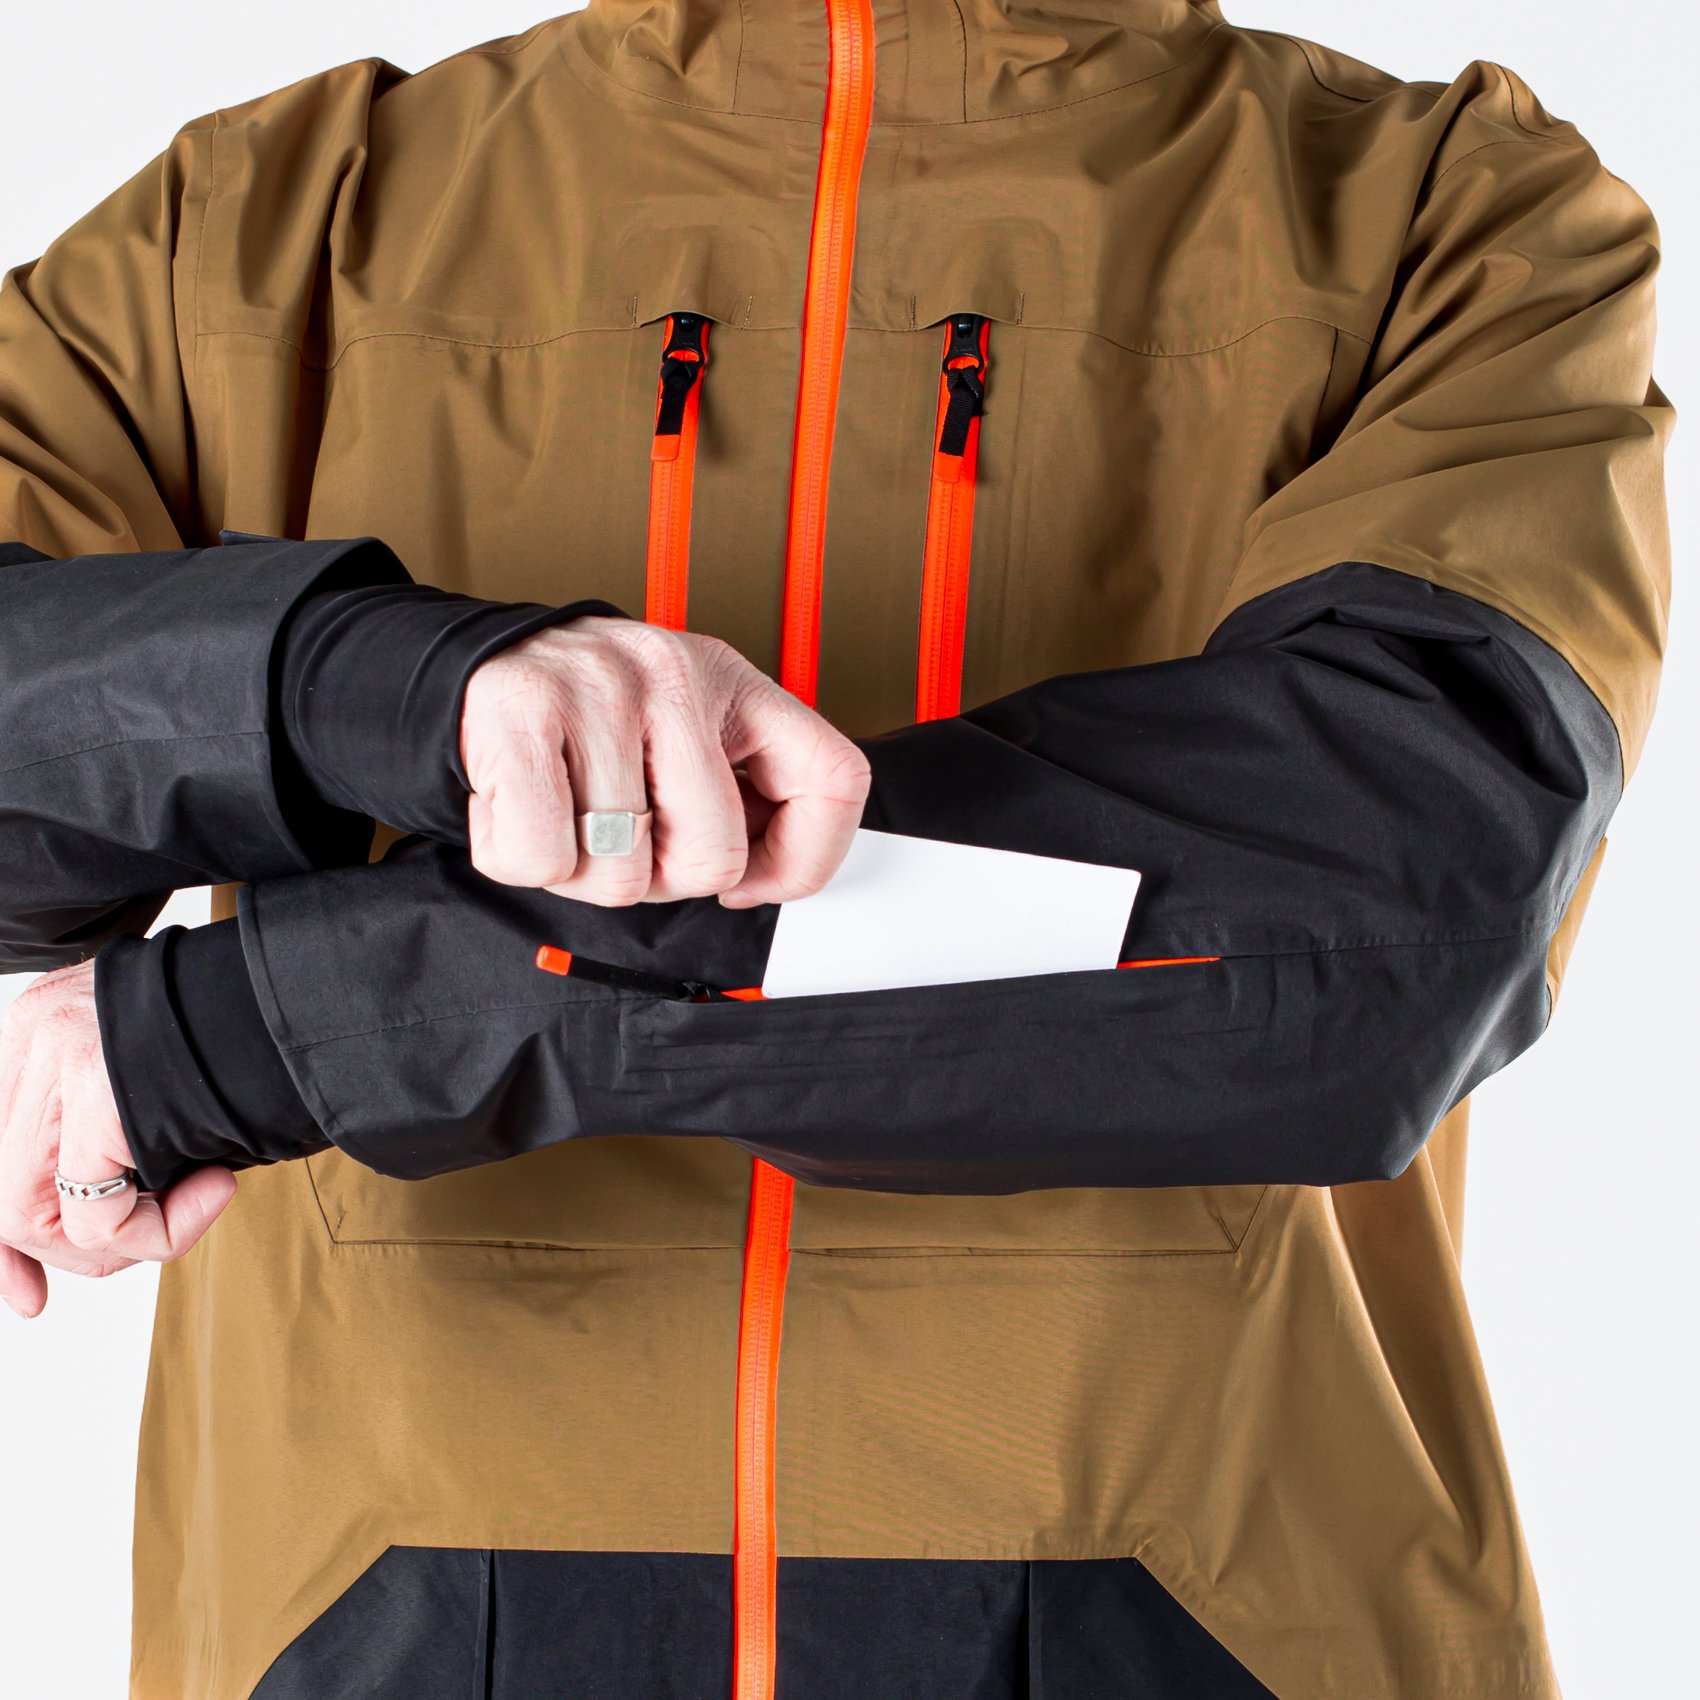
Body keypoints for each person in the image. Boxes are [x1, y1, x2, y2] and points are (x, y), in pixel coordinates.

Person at [0, 2, 1669, 1696]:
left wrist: (333, 1014)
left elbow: (1397, 895)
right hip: (376, 1619)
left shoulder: (1442, 216)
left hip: (1207, 1607)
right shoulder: (258, 232)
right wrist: (362, 681)